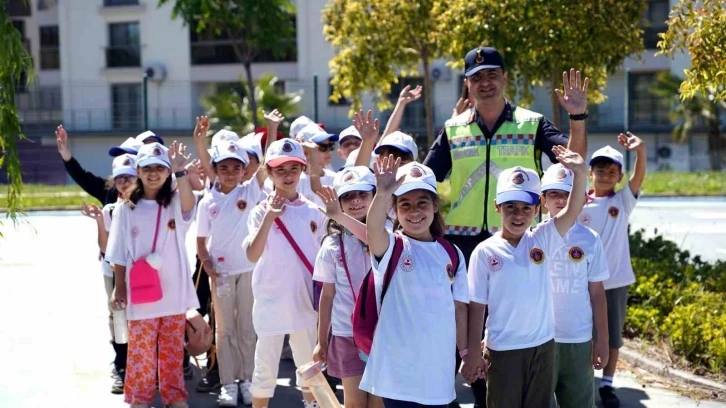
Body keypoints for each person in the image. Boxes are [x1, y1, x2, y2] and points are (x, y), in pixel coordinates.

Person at [422, 46, 589, 407]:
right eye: (476, 77)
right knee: (458, 334)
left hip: (521, 241)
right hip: (463, 245)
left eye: (491, 74)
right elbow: (425, 179)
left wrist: (578, 118)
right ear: (467, 84)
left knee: (507, 335)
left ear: (505, 78)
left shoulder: (532, 123)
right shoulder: (453, 130)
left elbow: (571, 161)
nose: (485, 82)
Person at [464, 146, 587, 408]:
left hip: (543, 348)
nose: (518, 215)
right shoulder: (484, 252)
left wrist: (579, 172)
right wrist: (473, 351)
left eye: (526, 207)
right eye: (510, 206)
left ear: (537, 207)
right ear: (497, 206)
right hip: (503, 350)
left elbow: (573, 208)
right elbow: (476, 306)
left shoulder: (544, 237)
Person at [361, 158, 469, 407]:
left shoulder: (451, 252)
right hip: (398, 375)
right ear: (395, 210)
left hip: (438, 374)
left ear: (435, 205)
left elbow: (460, 307)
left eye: (422, 203)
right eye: (405, 205)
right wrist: (383, 193)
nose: (414, 212)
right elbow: (373, 230)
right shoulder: (392, 245)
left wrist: (466, 352)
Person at [106, 141, 199, 408]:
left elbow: (188, 205)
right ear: (138, 170)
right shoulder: (125, 208)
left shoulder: (173, 202)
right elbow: (119, 252)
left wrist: (181, 173)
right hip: (141, 289)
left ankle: (174, 396)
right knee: (141, 350)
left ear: (168, 171)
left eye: (160, 168)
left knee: (171, 347)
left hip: (174, 288)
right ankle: (140, 398)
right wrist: (119, 287)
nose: (154, 173)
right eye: (148, 168)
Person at [242, 139, 326, 408]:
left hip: (304, 301)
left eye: (294, 168)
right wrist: (269, 217)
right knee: (264, 367)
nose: (288, 175)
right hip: (270, 301)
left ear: (302, 169)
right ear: (269, 172)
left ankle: (311, 404)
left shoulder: (315, 212)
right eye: (280, 169)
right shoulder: (258, 212)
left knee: (309, 367)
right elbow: (252, 255)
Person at [579, 133, 647, 408]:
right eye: (600, 170)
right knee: (582, 333)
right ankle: (582, 381)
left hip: (615, 282)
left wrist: (640, 152)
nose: (605, 175)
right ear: (590, 172)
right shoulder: (579, 202)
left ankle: (607, 384)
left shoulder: (622, 201)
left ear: (619, 176)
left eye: (612, 171)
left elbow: (639, 177)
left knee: (612, 336)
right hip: (581, 282)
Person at [196, 140, 262, 407]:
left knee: (246, 328)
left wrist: (269, 129)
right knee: (223, 331)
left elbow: (267, 167)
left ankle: (247, 380)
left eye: (237, 167)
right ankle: (227, 384)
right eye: (224, 167)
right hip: (221, 274)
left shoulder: (250, 191)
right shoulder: (207, 201)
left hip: (247, 270)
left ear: (244, 170)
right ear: (215, 169)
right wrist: (207, 265)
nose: (231, 172)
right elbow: (201, 242)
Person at [311, 168, 383, 408]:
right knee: (353, 401)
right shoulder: (331, 245)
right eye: (348, 196)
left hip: (383, 331)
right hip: (345, 332)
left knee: (378, 400)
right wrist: (322, 340)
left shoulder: (389, 234)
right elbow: (327, 295)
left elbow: (373, 240)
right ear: (338, 204)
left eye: (362, 194)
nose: (356, 201)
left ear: (374, 196)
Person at [540, 163, 610, 408]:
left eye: (569, 194)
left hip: (579, 340)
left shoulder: (590, 239)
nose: (562, 200)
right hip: (540, 340)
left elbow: (597, 294)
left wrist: (602, 340)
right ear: (543, 200)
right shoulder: (533, 236)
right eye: (554, 194)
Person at [79, 152, 138, 394]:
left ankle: (144, 367)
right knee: (119, 318)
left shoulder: (148, 206)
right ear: (114, 182)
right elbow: (105, 248)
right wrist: (97, 220)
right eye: (120, 178)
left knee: (143, 317)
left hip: (142, 271)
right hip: (113, 270)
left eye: (130, 177)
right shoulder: (110, 210)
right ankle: (122, 367)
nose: (125, 183)